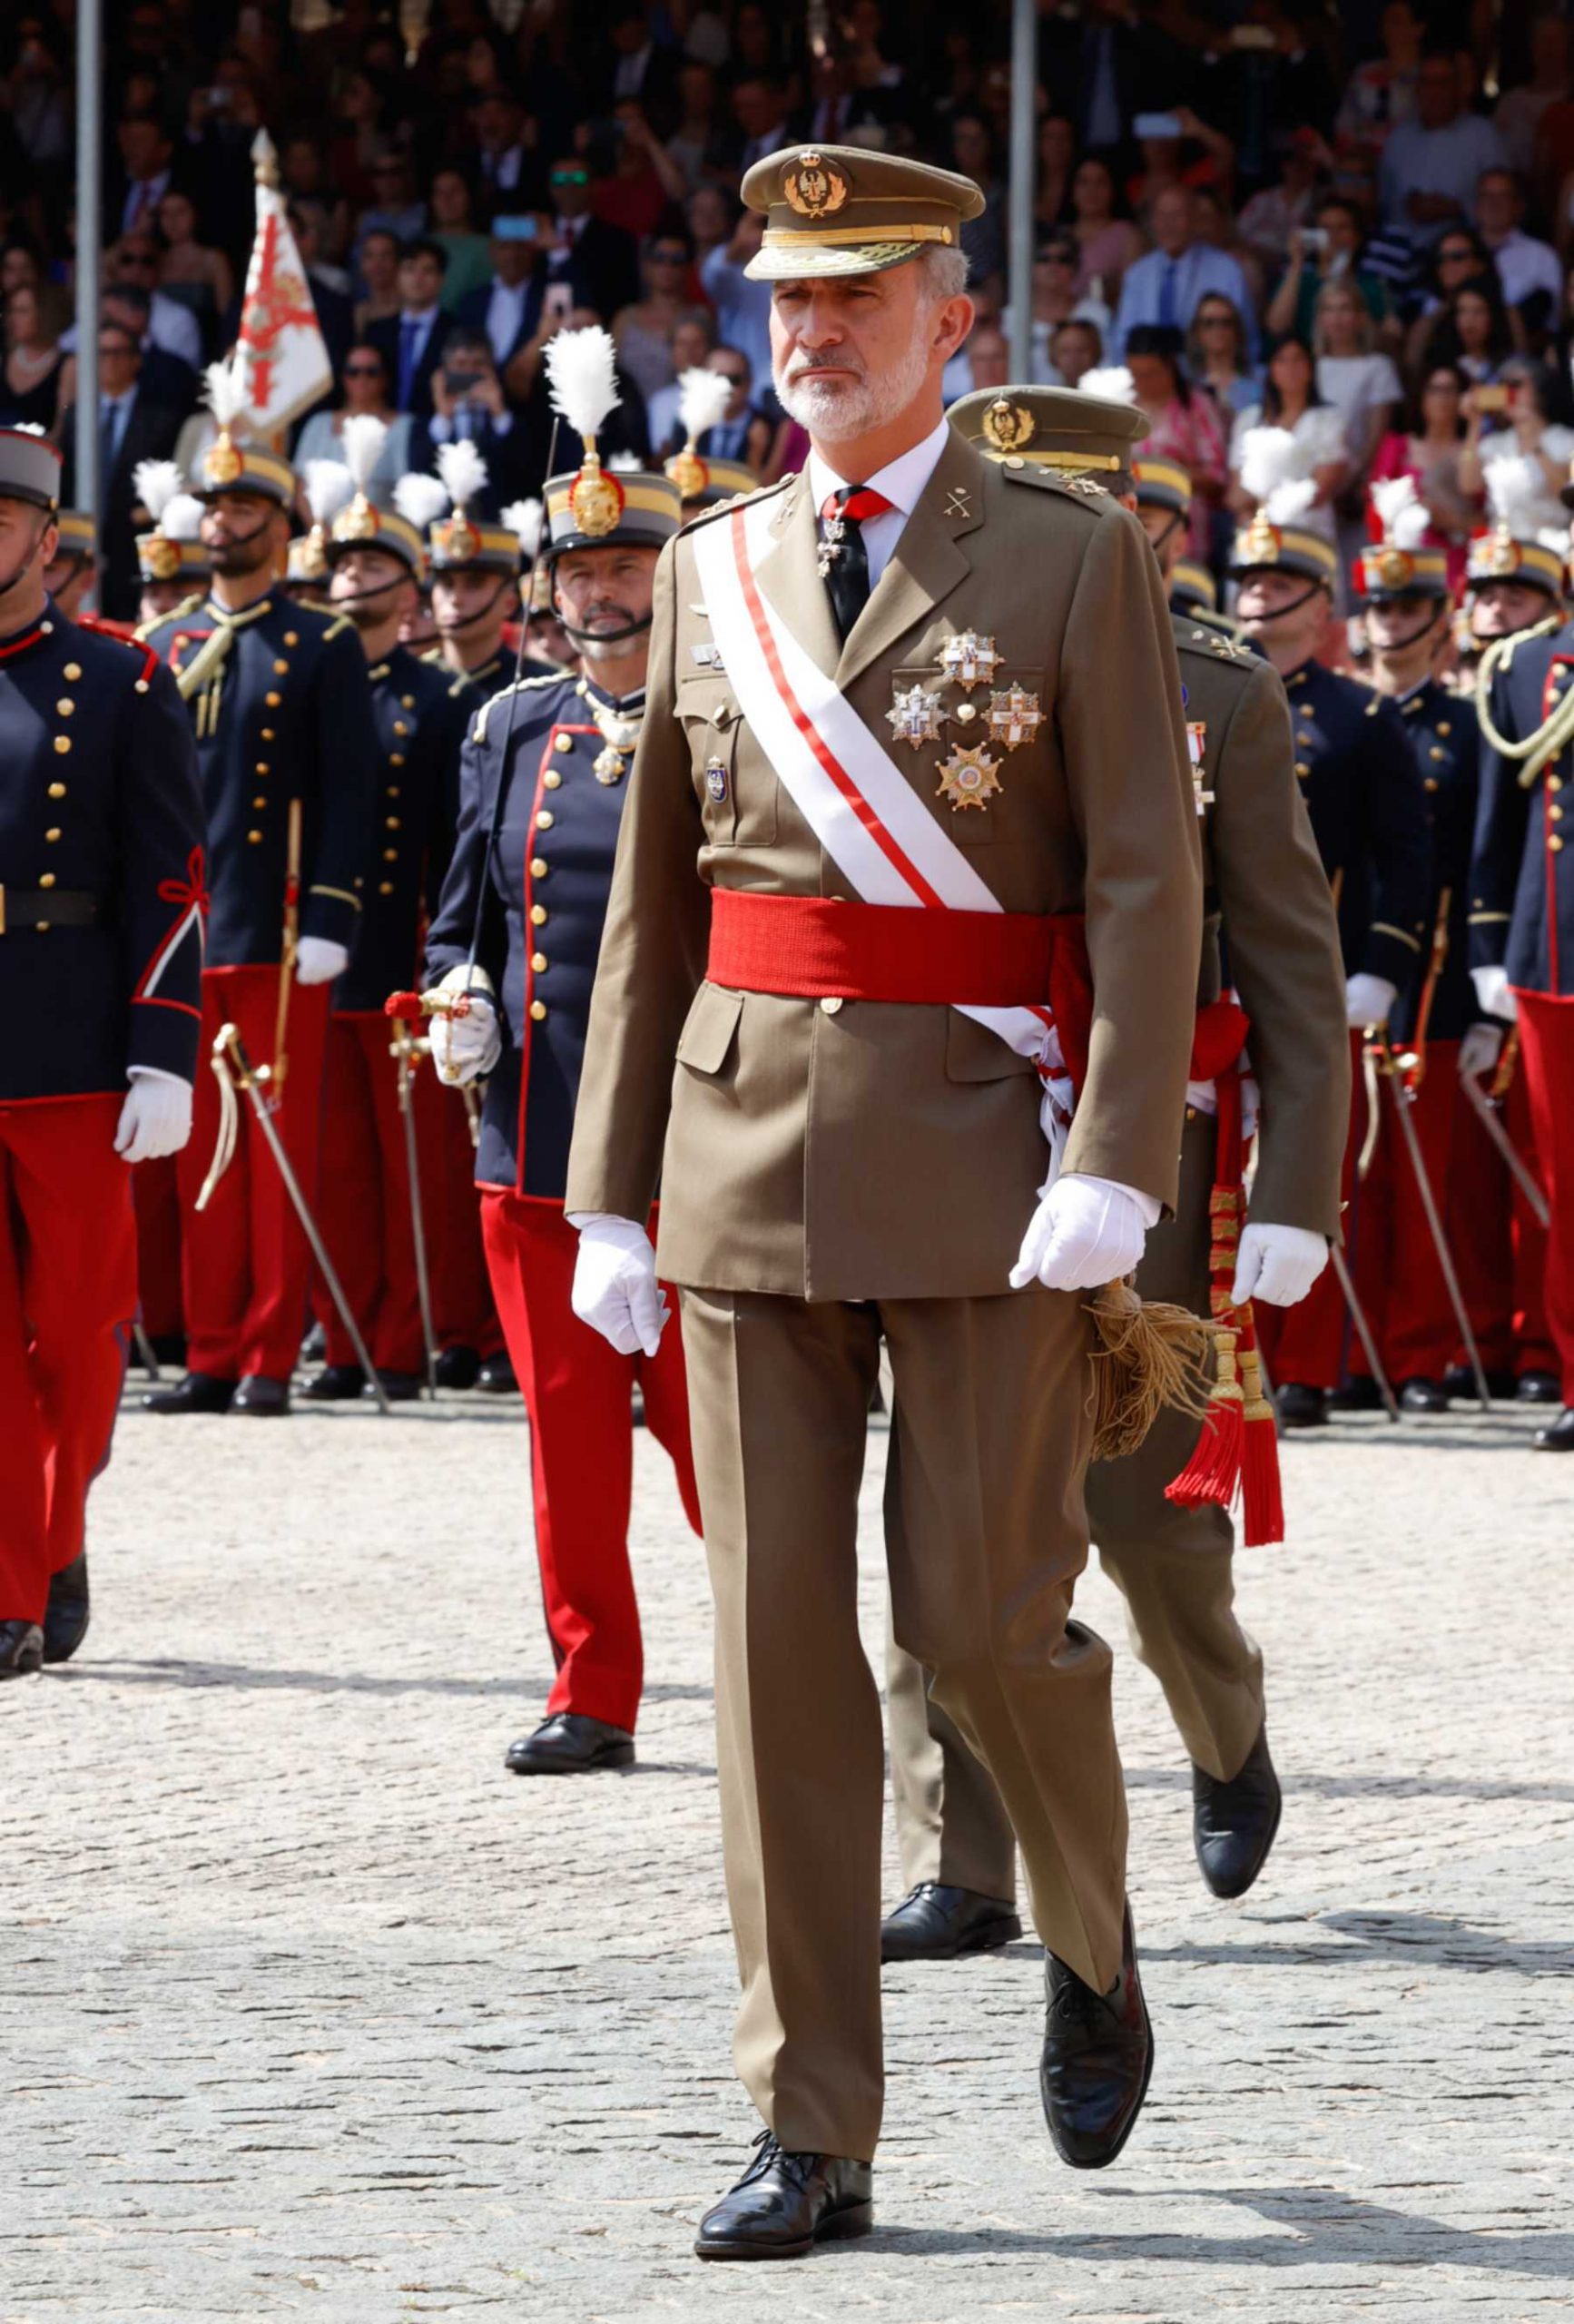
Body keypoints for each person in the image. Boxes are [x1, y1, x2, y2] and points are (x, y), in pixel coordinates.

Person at [563, 143, 1205, 2258]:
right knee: (767, 1652)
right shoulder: (710, 562)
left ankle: (1089, 1930)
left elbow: (1135, 874)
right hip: (742, 1158)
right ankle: (809, 2119)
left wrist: (1114, 1157)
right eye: (785, 301)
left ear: (953, 323)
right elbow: (657, 905)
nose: (813, 333)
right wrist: (608, 1191)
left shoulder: (1066, 551)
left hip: (980, 1157)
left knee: (975, 1619)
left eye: (859, 297)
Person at [881, 382, 1347, 1961]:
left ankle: (1222, 1734)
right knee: (951, 1507)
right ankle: (962, 1860)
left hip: (1150, 1156)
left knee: (1144, 1518)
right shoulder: (926, 672)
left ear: (1134, 526)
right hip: (955, 1136)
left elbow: (1287, 961)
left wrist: (1292, 1193)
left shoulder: (1220, 691)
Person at [422, 340, 703, 1772]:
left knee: (723, 1443)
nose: (605, 592)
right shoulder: (510, 725)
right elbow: (462, 911)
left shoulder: (727, 726)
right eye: (583, 573)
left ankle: (804, 1666)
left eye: (630, 568)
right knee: (568, 1440)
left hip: (692, 1143)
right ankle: (592, 1690)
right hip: (530, 1134)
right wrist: (453, 988)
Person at [0, 425, 205, 1679]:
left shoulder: (119, 677)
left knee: (79, 1337)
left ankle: (59, 1524)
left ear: (43, 539)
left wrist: (163, 1052)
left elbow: (171, 880)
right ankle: (13, 1585)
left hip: (76, 1045)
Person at [142, 388, 377, 1417]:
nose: (222, 520)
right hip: (187, 934)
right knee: (203, 1146)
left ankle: (270, 1354)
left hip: (279, 929)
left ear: (283, 526)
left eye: (244, 508)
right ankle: (210, 1345)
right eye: (213, 504)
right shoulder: (167, 640)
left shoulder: (319, 643)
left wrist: (330, 913)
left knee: (275, 1156)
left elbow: (351, 793)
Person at [1225, 479, 1433, 1426]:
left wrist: (1382, 968)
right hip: (1212, 967)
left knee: (1306, 1168)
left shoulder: (1360, 716)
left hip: (1317, 976)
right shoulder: (1198, 688)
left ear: (1321, 607)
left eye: (1280, 584)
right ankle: (1212, 1340)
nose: (1259, 598)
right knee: (1212, 1162)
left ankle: (1304, 1363)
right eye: (1250, 582)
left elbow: (1406, 857)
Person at [301, 425, 472, 1403]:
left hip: (404, 951)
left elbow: (454, 838)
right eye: (343, 564)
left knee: (419, 1167)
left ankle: (415, 1336)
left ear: (411, 593)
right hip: (322, 956)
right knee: (339, 1167)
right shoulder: (303, 685)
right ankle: (344, 1334)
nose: (353, 579)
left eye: (373, 565)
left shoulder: (438, 698)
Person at [1353, 482, 1487, 1409]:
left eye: (1407, 606)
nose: (1391, 621)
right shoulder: (1345, 717)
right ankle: (1355, 1351)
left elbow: (1477, 860)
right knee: (1351, 1174)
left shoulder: (1465, 728)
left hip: (1435, 974)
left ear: (1441, 619)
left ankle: (1421, 1353)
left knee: (1426, 1178)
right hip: (1349, 965)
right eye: (1380, 605)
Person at [1469, 467, 1574, 1450]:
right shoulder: (1527, 666)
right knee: (1570, 1173)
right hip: (1559, 952)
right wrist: (1491, 947)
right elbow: (1498, 826)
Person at [57, 318, 182, 619]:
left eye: (118, 352)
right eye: (102, 353)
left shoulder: (162, 419)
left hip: (133, 551)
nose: (110, 361)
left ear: (136, 360)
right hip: (84, 544)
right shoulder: (76, 415)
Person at [1379, 48, 1505, 254]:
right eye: (1427, 83)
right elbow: (1384, 202)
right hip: (1402, 253)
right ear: (1417, 89)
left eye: (1443, 83)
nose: (1434, 91)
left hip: (1464, 254)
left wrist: (1455, 208)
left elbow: (1503, 203)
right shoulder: (1398, 137)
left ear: (1457, 88)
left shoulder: (1483, 135)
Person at [1370, 361, 1481, 593]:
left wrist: (1452, 521)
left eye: (1450, 391)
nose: (1442, 399)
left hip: (1459, 562)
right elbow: (1374, 512)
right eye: (1434, 390)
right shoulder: (1398, 447)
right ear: (1421, 397)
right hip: (1406, 560)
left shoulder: (1476, 450)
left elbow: (1488, 516)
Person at [1112, 185, 1256, 360]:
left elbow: (1246, 339)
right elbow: (1122, 340)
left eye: (1177, 215)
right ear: (1152, 222)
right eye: (1161, 215)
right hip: (1148, 379)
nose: (1168, 224)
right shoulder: (1137, 274)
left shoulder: (1227, 270)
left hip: (1208, 381)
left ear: (1195, 220)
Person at [1124, 325, 1227, 557]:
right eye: (1135, 373)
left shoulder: (1197, 407)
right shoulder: (1121, 406)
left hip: (1187, 533)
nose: (1141, 381)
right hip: (1129, 527)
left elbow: (1217, 476)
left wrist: (1168, 472)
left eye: (1150, 373)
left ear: (1171, 366)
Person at [294, 343, 414, 489]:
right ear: (343, 377)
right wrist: (316, 513)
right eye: (353, 372)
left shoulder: (405, 426)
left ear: (385, 378)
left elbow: (407, 489)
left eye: (372, 372)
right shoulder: (318, 424)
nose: (362, 379)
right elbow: (299, 483)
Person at [367, 241, 455, 421]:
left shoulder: (457, 333)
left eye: (427, 271)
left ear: (441, 280)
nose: (418, 278)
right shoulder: (376, 331)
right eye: (410, 269)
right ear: (398, 276)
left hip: (434, 430)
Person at [1, 281, 69, 430]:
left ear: (44, 314)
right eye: (12, 311)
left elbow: (63, 430)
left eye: (22, 311)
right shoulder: (3, 359)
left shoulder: (68, 366)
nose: (13, 319)